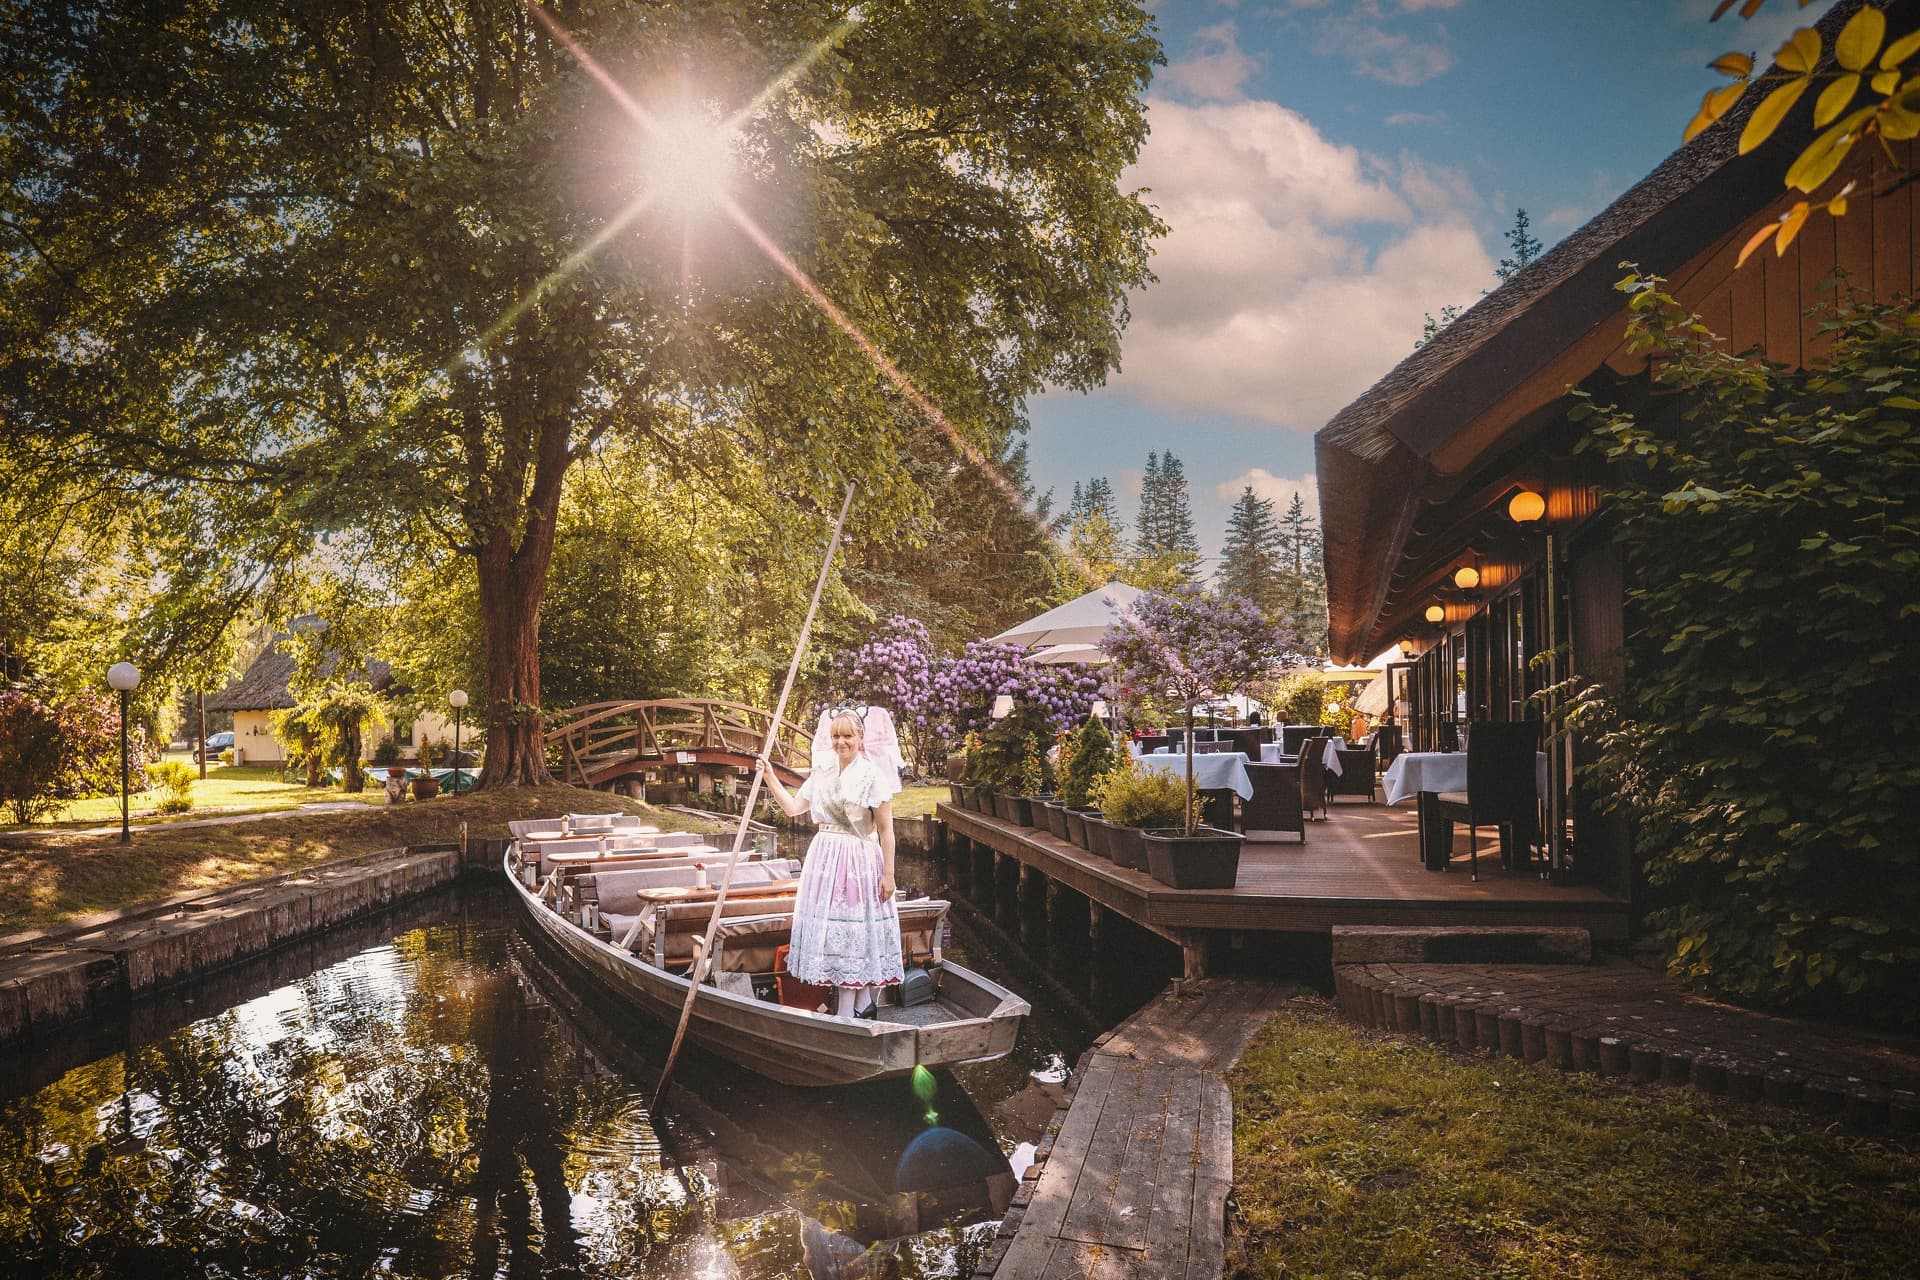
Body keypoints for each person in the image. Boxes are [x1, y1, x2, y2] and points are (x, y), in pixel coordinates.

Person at [756, 707, 902, 1019]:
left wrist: (889, 874)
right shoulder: (821, 773)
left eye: (848, 735)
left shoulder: (873, 776)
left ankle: (852, 1011)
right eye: (836, 736)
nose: (841, 742)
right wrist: (769, 776)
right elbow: (794, 808)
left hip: (859, 859)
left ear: (860, 737)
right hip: (825, 859)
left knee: (854, 934)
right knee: (834, 934)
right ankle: (862, 1006)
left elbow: (887, 830)